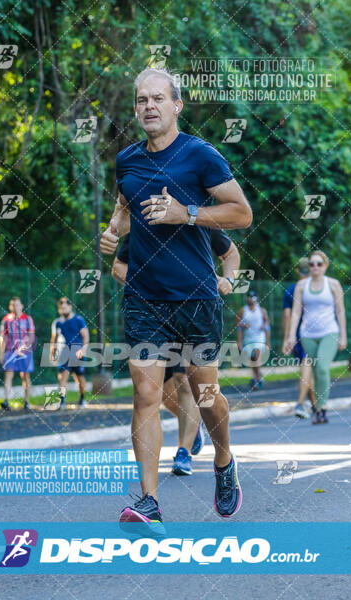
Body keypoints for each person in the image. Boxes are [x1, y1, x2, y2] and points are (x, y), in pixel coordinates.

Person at [100, 67, 252, 532]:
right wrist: (112, 232)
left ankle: (223, 459)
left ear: (176, 105)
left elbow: (241, 214)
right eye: (141, 100)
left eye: (157, 99)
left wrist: (185, 212)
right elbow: (125, 206)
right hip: (145, 298)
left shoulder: (200, 155)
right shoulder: (127, 160)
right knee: (146, 393)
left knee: (206, 397)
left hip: (196, 298)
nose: (148, 106)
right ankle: (149, 501)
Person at [112, 230, 241, 476]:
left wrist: (229, 280)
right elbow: (118, 267)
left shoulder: (198, 218)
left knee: (189, 383)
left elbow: (231, 253)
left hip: (193, 313)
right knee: (151, 393)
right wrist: (149, 286)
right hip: (153, 317)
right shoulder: (145, 221)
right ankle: (192, 427)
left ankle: (183, 452)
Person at [284, 251, 347, 424]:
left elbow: (340, 311)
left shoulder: (333, 284)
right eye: (312, 264)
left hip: (329, 332)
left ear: (325, 265)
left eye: (319, 264)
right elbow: (296, 313)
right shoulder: (302, 286)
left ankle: (322, 407)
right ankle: (317, 409)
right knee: (314, 371)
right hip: (307, 334)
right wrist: (291, 336)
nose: (315, 267)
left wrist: (343, 335)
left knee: (322, 368)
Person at [282, 257, 316, 418]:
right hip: (312, 333)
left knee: (306, 368)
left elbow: (287, 316)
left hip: (296, 335)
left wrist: (287, 338)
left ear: (297, 270)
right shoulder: (315, 289)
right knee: (307, 367)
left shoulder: (289, 290)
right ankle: (301, 404)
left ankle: (315, 406)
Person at [49, 297, 89, 409]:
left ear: (70, 307)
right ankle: (62, 401)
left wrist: (83, 349)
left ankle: (82, 398)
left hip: (77, 354)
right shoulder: (57, 323)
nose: (63, 310)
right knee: (62, 377)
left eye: (65, 307)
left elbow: (85, 337)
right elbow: (54, 339)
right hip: (63, 353)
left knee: (80, 377)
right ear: (59, 310)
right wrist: (52, 353)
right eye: (61, 308)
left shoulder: (79, 320)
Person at [0, 297, 35, 411]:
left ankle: (27, 402)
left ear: (22, 306)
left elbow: (31, 336)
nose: (16, 307)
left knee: (25, 376)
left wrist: (24, 348)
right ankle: (6, 400)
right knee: (8, 375)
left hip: (25, 352)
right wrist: (1, 353)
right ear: (10, 307)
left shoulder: (28, 319)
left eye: (18, 305)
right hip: (10, 351)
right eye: (13, 305)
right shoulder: (6, 320)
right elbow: (3, 338)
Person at [236, 291, 270, 390]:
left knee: (256, 355)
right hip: (248, 338)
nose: (250, 299)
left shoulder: (261, 310)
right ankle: (257, 375)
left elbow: (267, 324)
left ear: (256, 299)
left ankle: (257, 379)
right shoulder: (243, 310)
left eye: (252, 297)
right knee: (252, 359)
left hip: (259, 337)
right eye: (249, 297)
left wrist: (268, 341)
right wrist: (240, 341)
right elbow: (238, 325)